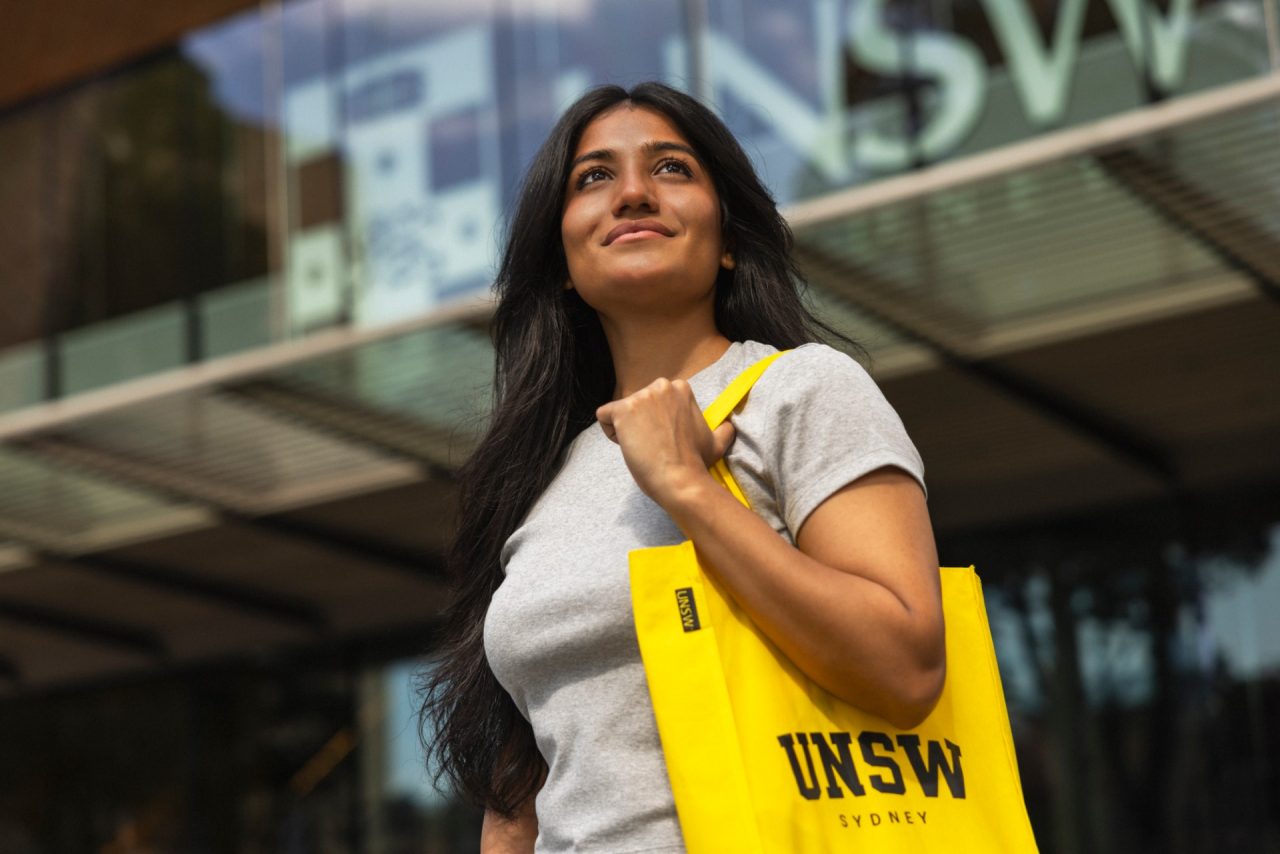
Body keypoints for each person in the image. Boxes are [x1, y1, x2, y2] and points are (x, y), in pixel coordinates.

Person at [420, 81, 944, 854]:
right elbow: (522, 776)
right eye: (593, 177)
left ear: (729, 240)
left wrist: (687, 490)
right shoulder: (536, 476)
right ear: (561, 257)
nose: (631, 193)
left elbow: (905, 668)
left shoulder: (802, 390)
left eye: (671, 169)